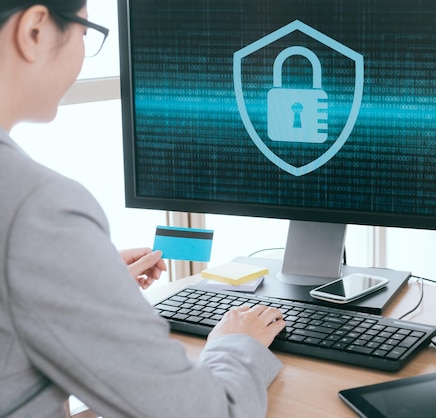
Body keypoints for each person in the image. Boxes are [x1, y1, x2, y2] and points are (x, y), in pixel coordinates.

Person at [0, 1, 285, 417]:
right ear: (35, 30)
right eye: (85, 31)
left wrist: (86, 280)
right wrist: (235, 343)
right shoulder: (36, 206)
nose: (83, 50)